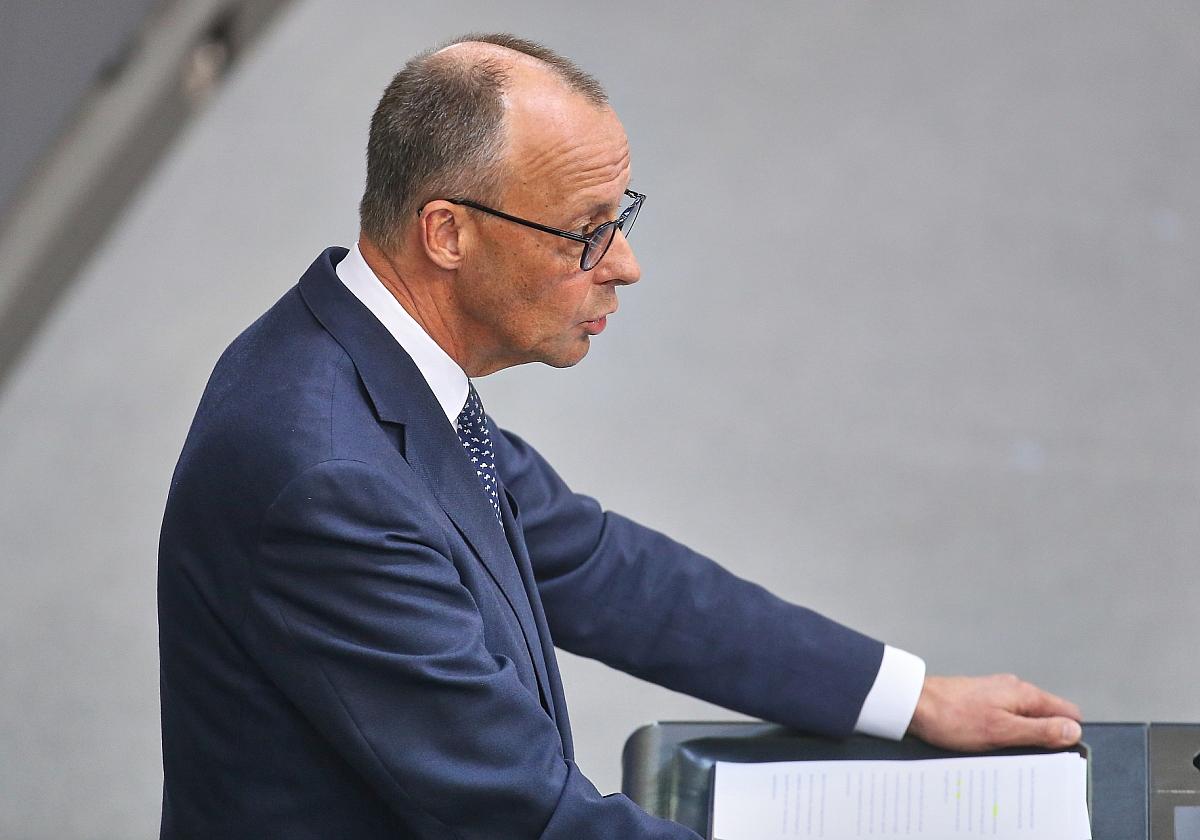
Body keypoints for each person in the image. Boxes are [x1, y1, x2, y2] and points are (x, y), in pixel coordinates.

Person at [157, 33, 1082, 839]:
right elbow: (526, 814)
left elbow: (596, 566)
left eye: (619, 218)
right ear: (447, 232)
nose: (625, 266)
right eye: (584, 233)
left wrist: (910, 696)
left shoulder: (372, 358)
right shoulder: (327, 479)